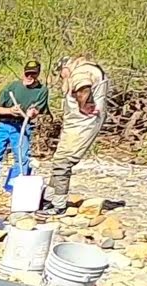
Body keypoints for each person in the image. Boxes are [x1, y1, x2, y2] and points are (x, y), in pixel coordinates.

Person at [46, 56, 107, 214]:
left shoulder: (80, 71)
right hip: (75, 125)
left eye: (61, 75)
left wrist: (84, 105)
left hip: (83, 125)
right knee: (58, 159)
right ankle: (48, 198)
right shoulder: (87, 69)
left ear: (64, 68)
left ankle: (58, 205)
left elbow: (83, 87)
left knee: (63, 162)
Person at [0, 60, 49, 191]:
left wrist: (33, 113)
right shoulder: (12, 87)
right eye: (28, 74)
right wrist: (10, 111)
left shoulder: (42, 90)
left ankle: (12, 188)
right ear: (23, 73)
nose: (30, 77)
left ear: (38, 74)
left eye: (34, 74)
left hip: (22, 126)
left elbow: (38, 110)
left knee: (21, 158)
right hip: (4, 125)